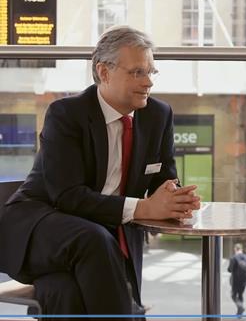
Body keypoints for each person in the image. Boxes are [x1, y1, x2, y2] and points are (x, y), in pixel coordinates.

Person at [0, 25, 201, 316]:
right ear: (104, 72)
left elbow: (165, 180)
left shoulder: (158, 115)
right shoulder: (66, 114)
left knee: (63, 290)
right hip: (42, 224)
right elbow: (67, 197)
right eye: (137, 72)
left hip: (102, 237)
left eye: (151, 72)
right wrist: (144, 207)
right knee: (92, 238)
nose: (148, 82)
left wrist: (175, 199)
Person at [227, 243, 246, 316]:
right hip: (245, 280)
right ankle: (239, 312)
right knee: (240, 294)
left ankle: (240, 307)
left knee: (233, 295)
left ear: (235, 249)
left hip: (235, 280)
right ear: (241, 249)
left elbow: (230, 269)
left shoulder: (233, 258)